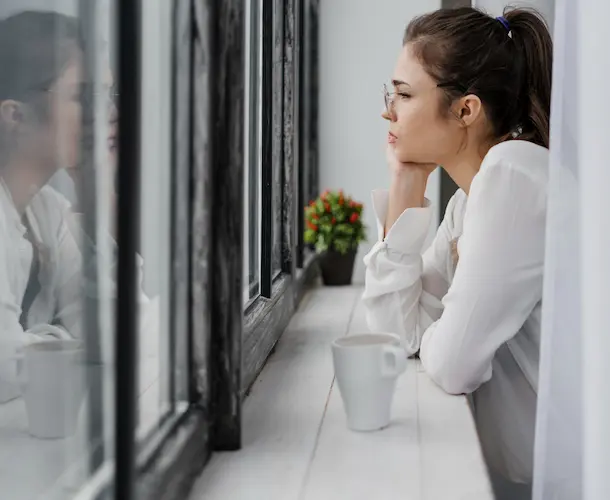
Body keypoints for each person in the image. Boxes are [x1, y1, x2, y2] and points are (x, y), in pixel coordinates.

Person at [362, 7, 552, 499]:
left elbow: (453, 364)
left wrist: (440, 324)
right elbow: (396, 335)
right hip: (521, 478)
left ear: (465, 110)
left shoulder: (513, 175)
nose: (389, 111)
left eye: (403, 94)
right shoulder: (467, 202)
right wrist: (406, 181)